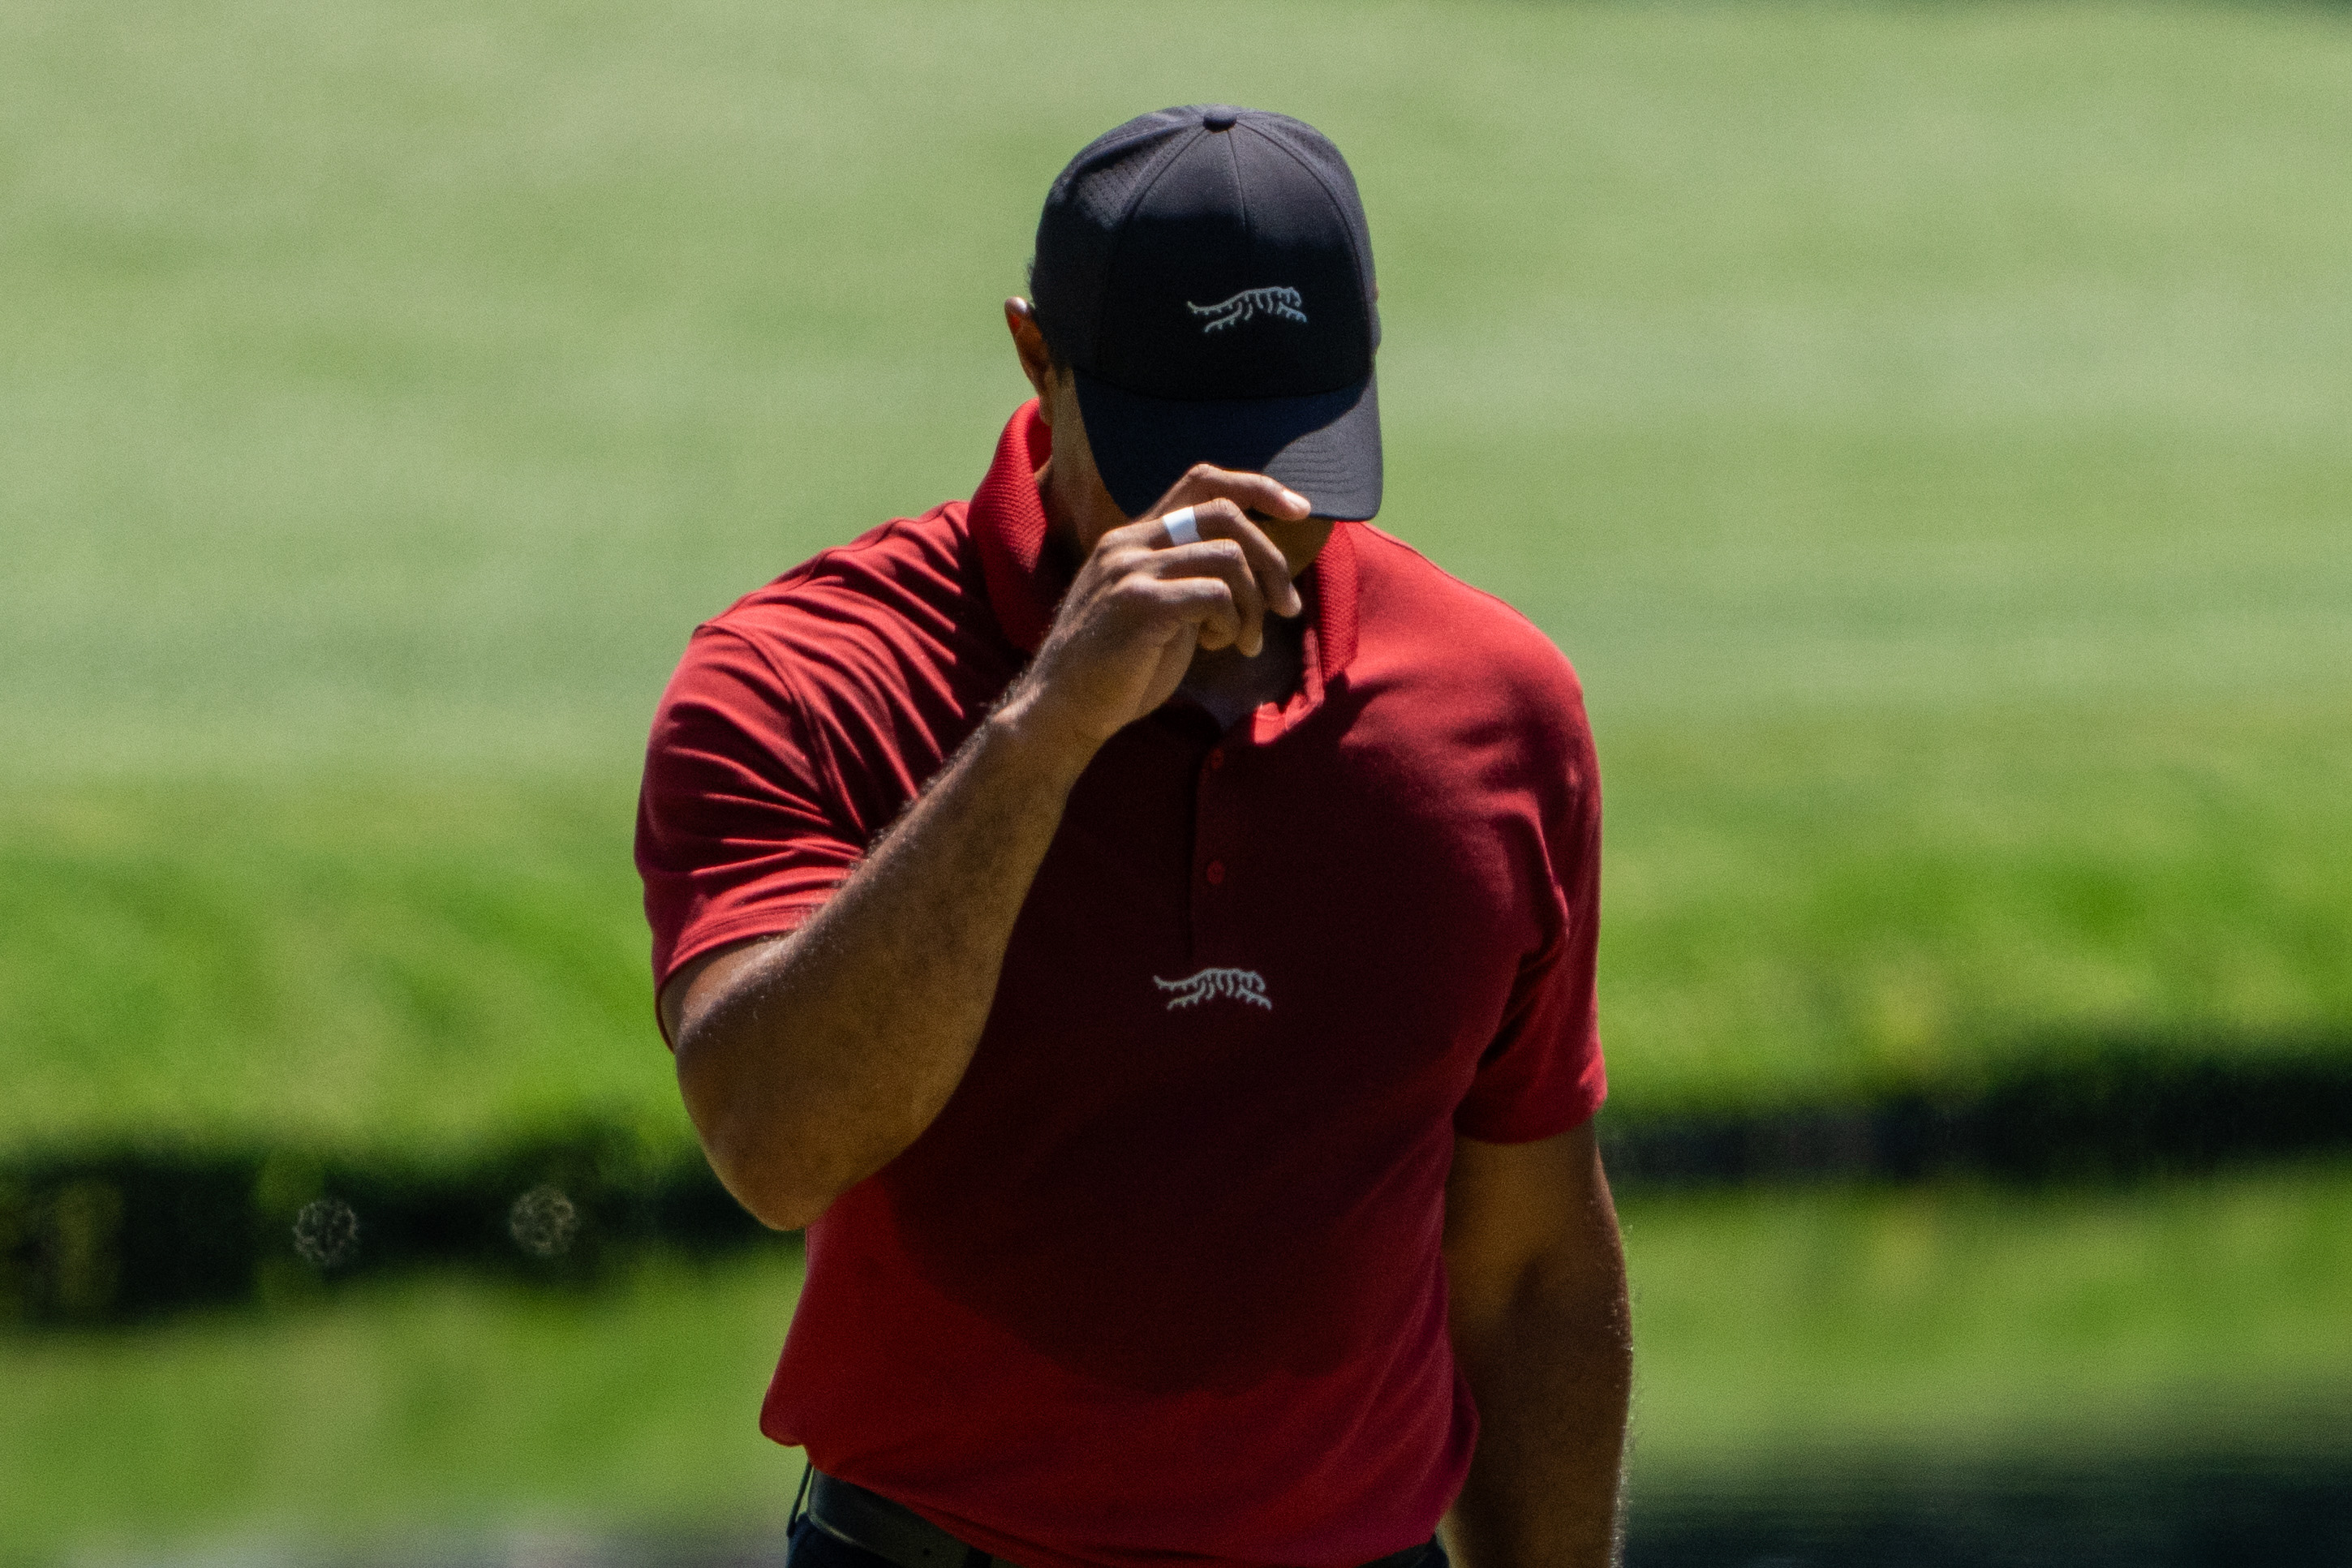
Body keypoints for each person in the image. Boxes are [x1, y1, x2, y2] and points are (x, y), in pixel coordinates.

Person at [636, 105, 1631, 1568]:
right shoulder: (802, 677)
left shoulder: (1498, 706)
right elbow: (778, 1142)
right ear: (1040, 358)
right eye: (1176, 452)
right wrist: (1046, 727)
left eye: (1293, 453)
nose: (1240, 510)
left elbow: (1531, 1265)